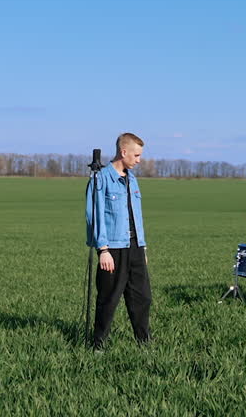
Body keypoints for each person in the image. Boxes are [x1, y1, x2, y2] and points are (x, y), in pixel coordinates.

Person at [85, 132, 151, 350]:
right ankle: (99, 346)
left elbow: (136, 215)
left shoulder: (132, 178)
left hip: (135, 248)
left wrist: (143, 247)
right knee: (109, 299)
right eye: (136, 155)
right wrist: (102, 249)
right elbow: (94, 216)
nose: (139, 160)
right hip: (112, 248)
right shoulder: (100, 179)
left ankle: (144, 343)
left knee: (142, 298)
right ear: (124, 152)